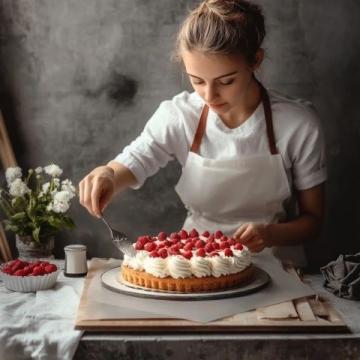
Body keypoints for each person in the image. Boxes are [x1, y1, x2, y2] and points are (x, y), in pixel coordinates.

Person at [79, 0, 326, 266]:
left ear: (255, 60)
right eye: (197, 81)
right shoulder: (179, 115)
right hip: (196, 263)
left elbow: (313, 222)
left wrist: (269, 233)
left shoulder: (298, 124)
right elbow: (137, 159)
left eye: (226, 81)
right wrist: (108, 174)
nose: (210, 96)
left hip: (275, 265)